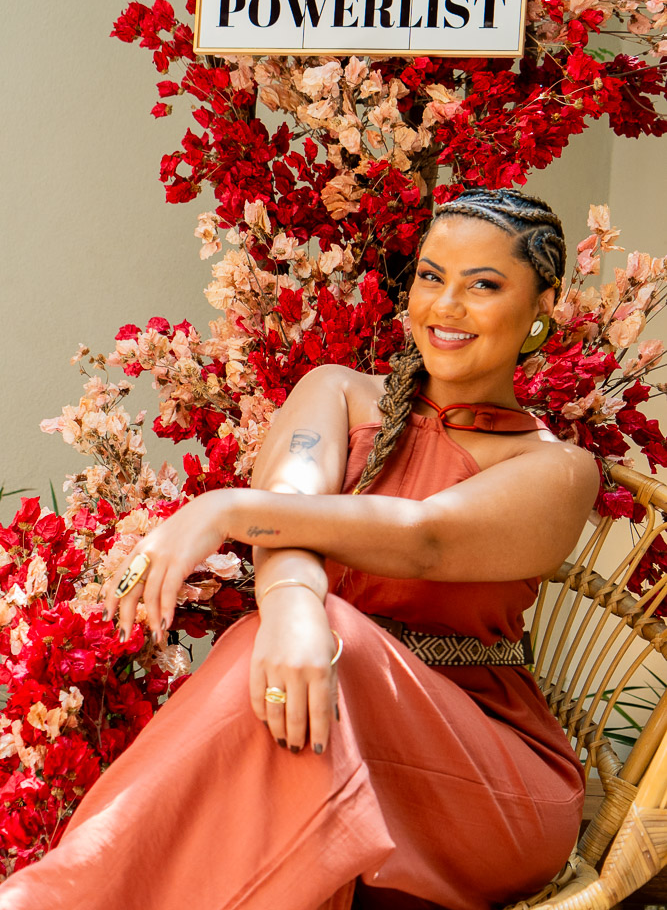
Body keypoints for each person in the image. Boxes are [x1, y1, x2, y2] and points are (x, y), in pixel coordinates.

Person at [0, 188, 600, 910]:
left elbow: (423, 537)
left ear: (541, 307)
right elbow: (292, 506)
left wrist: (225, 507)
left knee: (323, 650)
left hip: (485, 786)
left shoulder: (558, 470)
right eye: (430, 276)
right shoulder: (339, 393)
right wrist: (289, 611)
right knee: (294, 669)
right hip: (317, 728)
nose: (445, 306)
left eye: (483, 286)